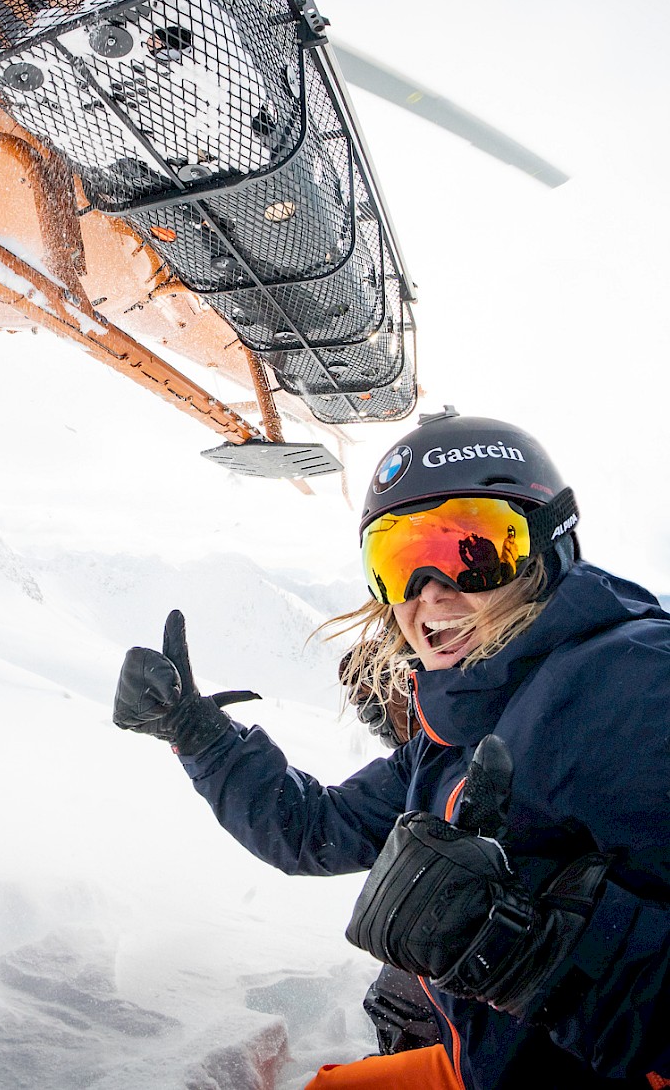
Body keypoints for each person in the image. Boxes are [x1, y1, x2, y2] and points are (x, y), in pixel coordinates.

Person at [113, 407, 670, 1089]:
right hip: (491, 1062)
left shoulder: (635, 687)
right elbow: (315, 830)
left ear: (550, 545)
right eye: (399, 560)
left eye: (476, 549)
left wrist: (541, 957)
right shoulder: (459, 726)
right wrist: (198, 737)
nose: (429, 592)